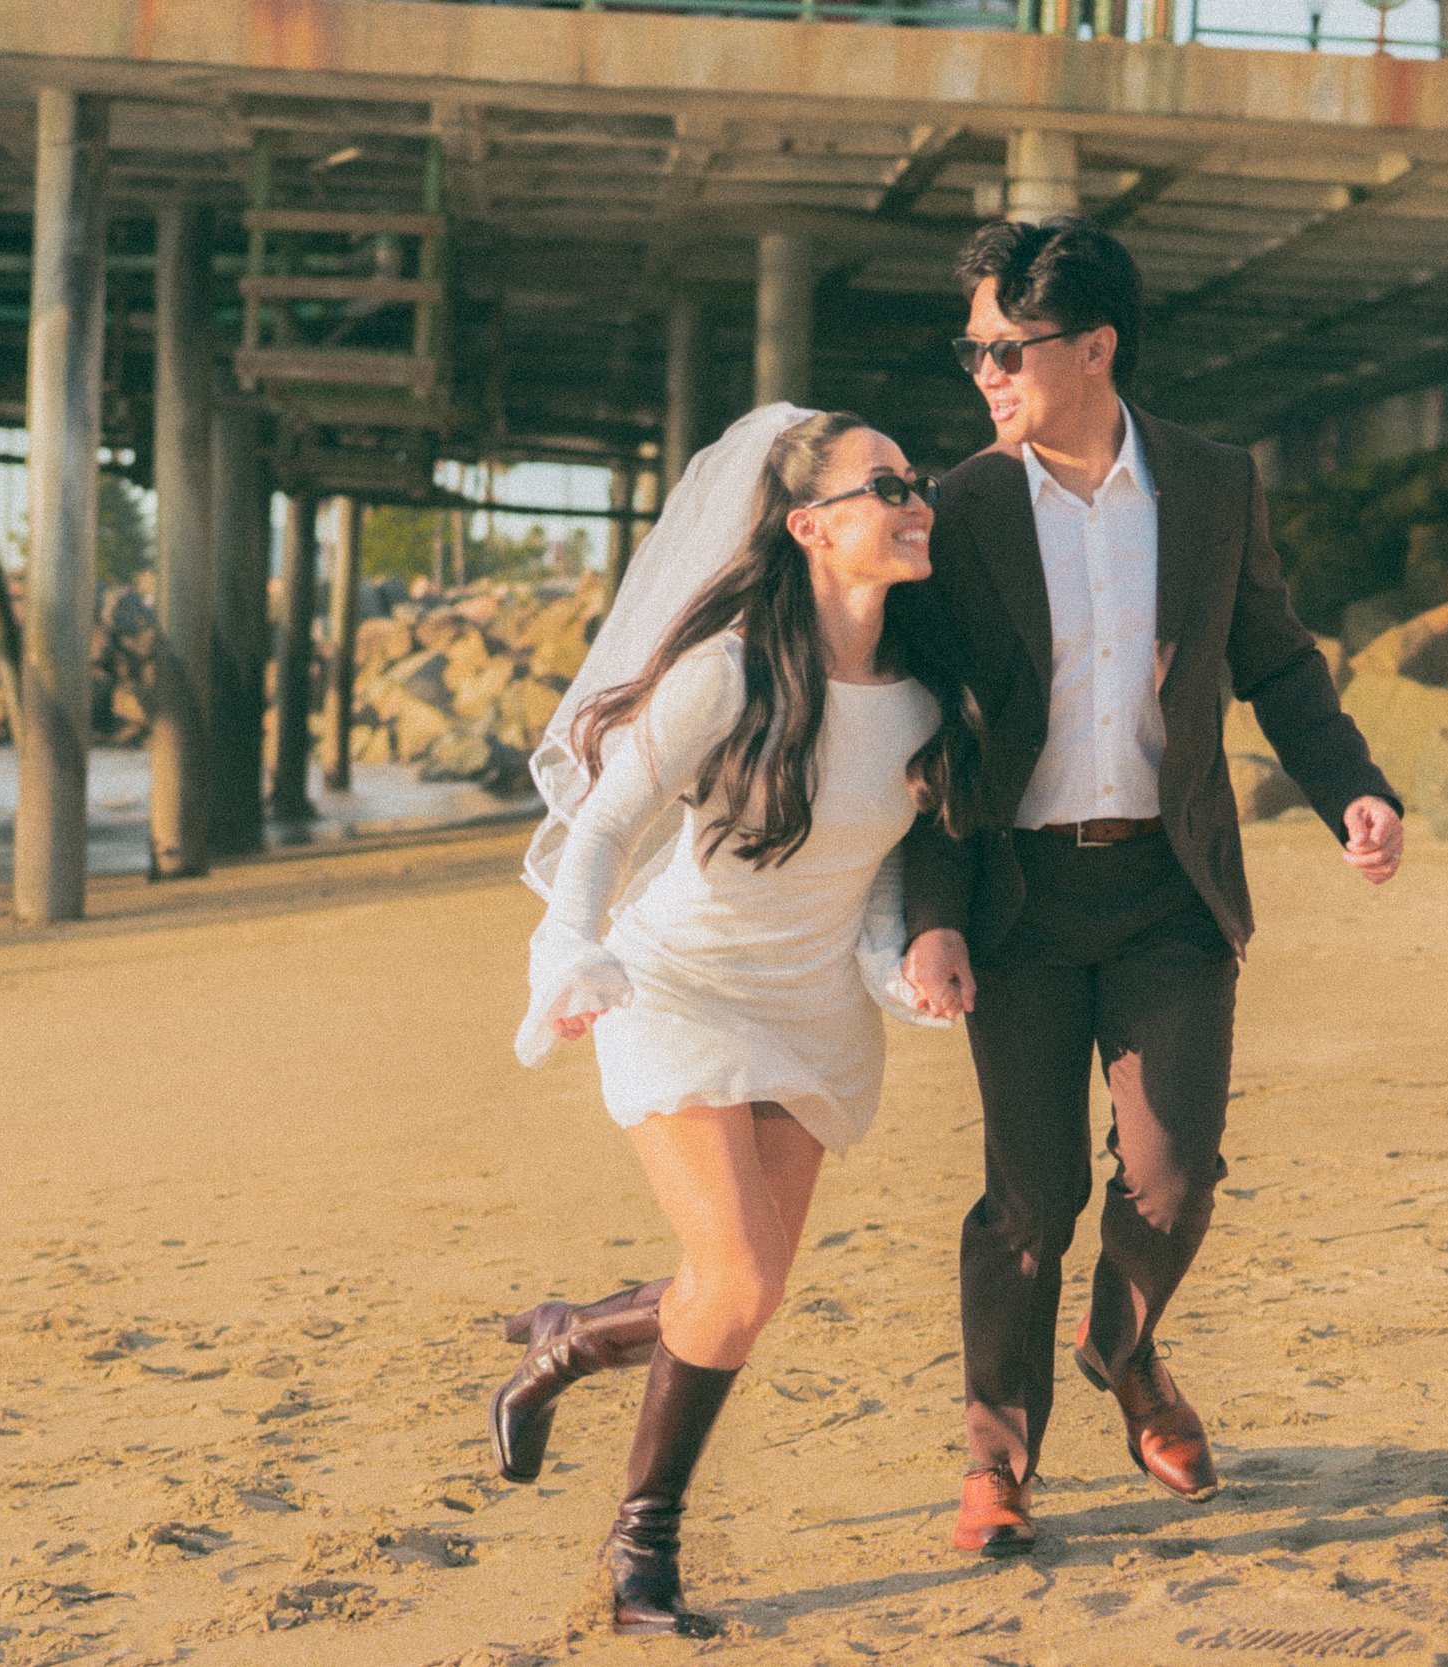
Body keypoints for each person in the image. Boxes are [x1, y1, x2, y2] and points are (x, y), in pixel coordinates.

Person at [891, 217, 1406, 1559]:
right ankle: (998, 1452)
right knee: (1034, 1195)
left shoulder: (1214, 483)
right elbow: (935, 731)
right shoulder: (963, 508)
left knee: (1173, 1179)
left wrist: (1354, 780)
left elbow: (1278, 661)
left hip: (1173, 888)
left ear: (1096, 345)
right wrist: (932, 910)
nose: (985, 372)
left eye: (1008, 347)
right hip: (1020, 898)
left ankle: (1121, 1345)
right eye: (973, 350)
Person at [504, 405, 978, 1636]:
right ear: (811, 526)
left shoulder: (921, 700)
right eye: (887, 485)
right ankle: (639, 1557)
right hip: (679, 988)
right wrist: (572, 945)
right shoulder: (728, 674)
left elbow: (868, 864)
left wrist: (895, 965)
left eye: (915, 482)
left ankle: (564, 1339)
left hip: (814, 1010)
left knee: (736, 1293)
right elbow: (604, 825)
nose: (915, 499)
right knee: (740, 1273)